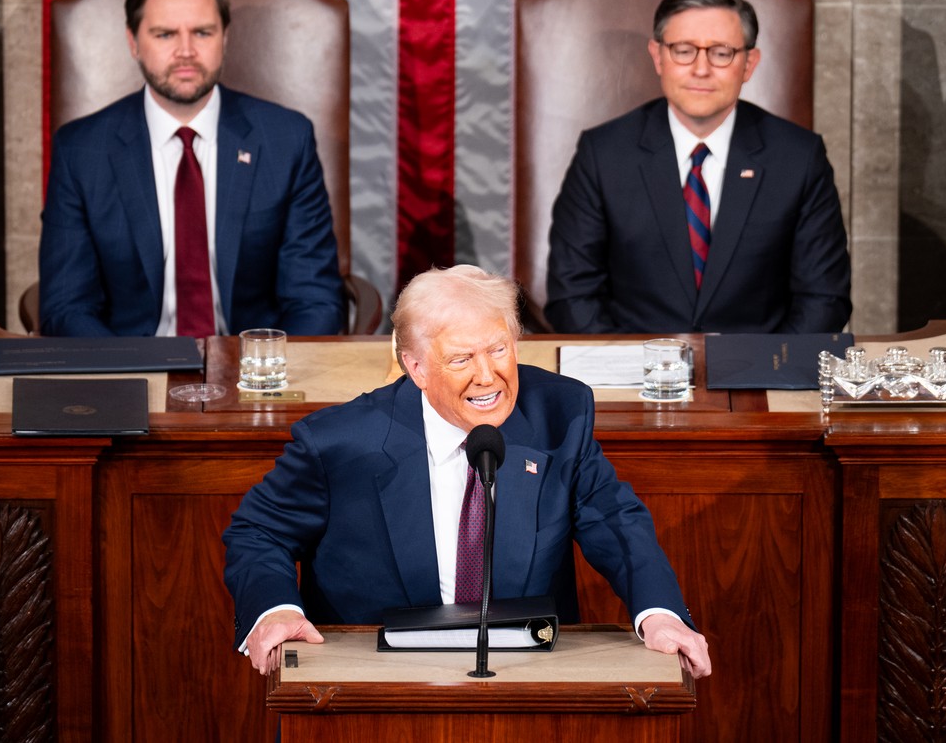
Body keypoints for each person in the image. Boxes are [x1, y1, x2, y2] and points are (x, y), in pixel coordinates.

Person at [222, 265, 711, 678]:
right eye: (461, 359)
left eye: (498, 349)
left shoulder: (559, 415)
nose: (487, 376)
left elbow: (616, 521)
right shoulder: (341, 441)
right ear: (416, 368)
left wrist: (660, 612)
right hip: (376, 680)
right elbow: (258, 532)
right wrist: (275, 610)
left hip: (525, 677)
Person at [38, 0, 343, 337]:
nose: (186, 51)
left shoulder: (285, 140)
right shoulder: (82, 151)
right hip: (129, 364)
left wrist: (267, 368)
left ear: (224, 38)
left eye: (202, 32)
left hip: (255, 366)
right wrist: (126, 368)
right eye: (165, 34)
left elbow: (315, 300)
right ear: (133, 43)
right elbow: (67, 307)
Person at [546, 0, 851, 334]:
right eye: (683, 50)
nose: (701, 69)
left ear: (749, 63)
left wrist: (766, 364)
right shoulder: (603, 154)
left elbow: (824, 298)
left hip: (760, 365)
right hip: (632, 364)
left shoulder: (798, 158)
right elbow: (572, 295)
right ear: (658, 56)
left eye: (721, 53)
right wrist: (631, 364)